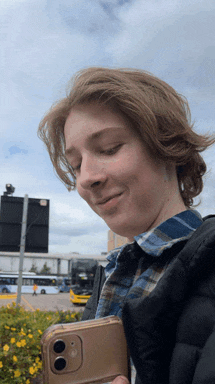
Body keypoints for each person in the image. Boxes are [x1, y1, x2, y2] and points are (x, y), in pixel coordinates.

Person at [38, 67, 215, 384]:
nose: (87, 178)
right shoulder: (112, 272)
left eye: (109, 148)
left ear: (168, 145)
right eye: (76, 165)